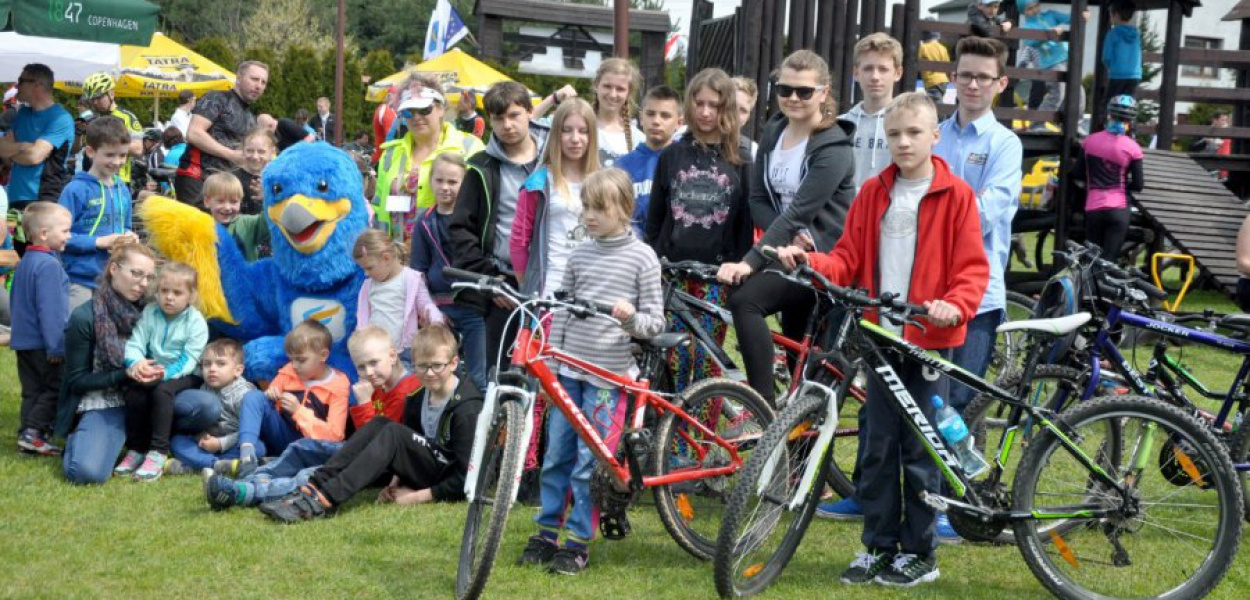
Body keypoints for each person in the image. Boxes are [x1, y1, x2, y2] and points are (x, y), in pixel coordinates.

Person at [774, 92, 989, 587]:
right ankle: (877, 546)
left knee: (921, 451)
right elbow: (847, 258)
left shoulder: (956, 196)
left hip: (929, 341)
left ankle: (920, 552)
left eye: (914, 132)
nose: (903, 142)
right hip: (879, 340)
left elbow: (972, 269)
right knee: (876, 446)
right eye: (894, 134)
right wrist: (811, 261)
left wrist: (953, 304)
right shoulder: (874, 192)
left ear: (936, 136)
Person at [516, 168, 664, 574]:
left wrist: (632, 318)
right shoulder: (579, 253)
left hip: (609, 378)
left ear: (625, 209)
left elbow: (656, 322)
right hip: (569, 374)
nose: (591, 215)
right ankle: (547, 531)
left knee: (588, 464)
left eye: (600, 208)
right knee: (557, 456)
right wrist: (552, 361)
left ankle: (578, 540)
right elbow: (561, 311)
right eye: (587, 207)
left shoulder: (642, 258)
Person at [716, 49, 857, 407]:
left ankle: (760, 407)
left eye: (804, 91)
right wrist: (780, 243)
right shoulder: (774, 131)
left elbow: (799, 211)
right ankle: (793, 449)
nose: (793, 98)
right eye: (784, 89)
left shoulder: (834, 146)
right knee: (800, 364)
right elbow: (758, 199)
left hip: (824, 260)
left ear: (824, 93)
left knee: (745, 300)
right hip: (788, 254)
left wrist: (750, 262)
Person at [247, 323, 482, 521]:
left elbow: (465, 478)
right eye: (422, 366)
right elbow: (411, 447)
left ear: (453, 363)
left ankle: (324, 499)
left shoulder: (467, 408)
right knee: (381, 426)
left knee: (389, 431)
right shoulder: (417, 396)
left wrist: (415, 497)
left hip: (446, 473)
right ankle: (313, 487)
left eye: (437, 366)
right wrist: (395, 483)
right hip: (428, 465)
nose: (429, 373)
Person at [205, 325, 422, 509]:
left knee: (314, 473)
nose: (369, 372)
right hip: (356, 450)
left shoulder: (407, 391)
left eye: (374, 363)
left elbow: (381, 441)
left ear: (393, 356)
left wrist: (364, 404)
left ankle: (246, 492)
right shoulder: (378, 385)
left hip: (376, 463)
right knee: (300, 450)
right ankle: (247, 476)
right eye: (362, 367)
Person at [58, 242, 222, 484]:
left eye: (149, 277)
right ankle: (97, 439)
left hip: (157, 385)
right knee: (86, 473)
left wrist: (159, 372)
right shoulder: (86, 316)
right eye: (136, 274)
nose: (144, 284)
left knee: (207, 406)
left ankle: (155, 446)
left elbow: (191, 348)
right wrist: (129, 371)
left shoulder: (153, 306)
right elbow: (76, 381)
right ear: (114, 269)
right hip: (107, 399)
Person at [645, 69, 753, 390]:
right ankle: (671, 437)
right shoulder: (672, 155)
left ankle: (700, 440)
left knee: (707, 363)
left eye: (715, 105)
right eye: (699, 103)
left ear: (727, 109)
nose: (706, 112)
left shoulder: (741, 160)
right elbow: (655, 219)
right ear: (689, 104)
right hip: (673, 275)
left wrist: (738, 273)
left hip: (715, 279)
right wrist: (655, 264)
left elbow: (744, 226)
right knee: (675, 359)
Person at [935, 36, 1022, 415]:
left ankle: (961, 478)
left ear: (1000, 83)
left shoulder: (1006, 144)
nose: (973, 84)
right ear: (953, 77)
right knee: (921, 403)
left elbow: (987, 213)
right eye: (966, 75)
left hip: (978, 296)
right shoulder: (932, 135)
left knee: (958, 406)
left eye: (984, 77)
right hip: (925, 287)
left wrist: (933, 213)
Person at [450, 80, 545, 372]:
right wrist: (490, 282)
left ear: (530, 112)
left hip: (552, 283)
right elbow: (461, 230)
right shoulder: (481, 166)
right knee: (503, 374)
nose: (507, 125)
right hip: (504, 285)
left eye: (514, 115)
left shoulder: (555, 158)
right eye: (499, 118)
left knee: (550, 375)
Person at [219, 319, 351, 479]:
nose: (294, 365)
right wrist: (270, 395)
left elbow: (335, 436)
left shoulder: (338, 384)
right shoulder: (289, 371)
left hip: (310, 445)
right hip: (281, 436)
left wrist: (298, 411)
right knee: (255, 396)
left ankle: (263, 461)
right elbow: (266, 405)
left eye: (301, 360)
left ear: (323, 355)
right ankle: (247, 455)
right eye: (291, 359)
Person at [118, 261, 209, 480]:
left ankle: (158, 452)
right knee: (135, 392)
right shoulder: (150, 312)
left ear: (191, 295)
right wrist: (136, 363)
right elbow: (136, 342)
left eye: (177, 293)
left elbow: (190, 358)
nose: (169, 297)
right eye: (164, 291)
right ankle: (136, 449)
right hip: (153, 368)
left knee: (162, 392)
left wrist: (164, 374)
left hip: (184, 374)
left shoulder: (196, 322)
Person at [412, 151, 489, 389]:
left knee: (478, 375)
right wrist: (430, 309)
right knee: (440, 372)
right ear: (431, 180)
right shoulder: (423, 221)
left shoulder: (473, 218)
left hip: (473, 307)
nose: (445, 187)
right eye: (439, 180)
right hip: (440, 309)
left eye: (453, 182)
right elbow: (418, 270)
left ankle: (475, 420)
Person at [511, 98, 601, 298]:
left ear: (592, 135)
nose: (575, 138)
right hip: (550, 292)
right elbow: (519, 242)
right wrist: (527, 287)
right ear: (556, 134)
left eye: (583, 131)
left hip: (596, 292)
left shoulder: (604, 182)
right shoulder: (538, 183)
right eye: (567, 130)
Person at [375, 86, 485, 240]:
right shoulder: (391, 153)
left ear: (441, 109)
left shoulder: (470, 147)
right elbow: (378, 205)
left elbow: (484, 209)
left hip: (446, 255)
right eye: (408, 111)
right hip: (392, 255)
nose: (416, 117)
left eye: (424, 109)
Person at [58, 117, 139, 310]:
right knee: (77, 334)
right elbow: (58, 237)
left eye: (122, 155)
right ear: (91, 151)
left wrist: (130, 237)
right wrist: (99, 242)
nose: (117, 162)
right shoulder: (75, 189)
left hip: (114, 282)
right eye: (110, 155)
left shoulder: (123, 189)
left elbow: (125, 227)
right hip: (80, 281)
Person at [11, 201, 71, 456]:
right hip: (44, 342)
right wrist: (56, 346)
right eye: (65, 231)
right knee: (54, 387)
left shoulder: (26, 260)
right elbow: (52, 311)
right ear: (44, 234)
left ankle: (28, 435)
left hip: (24, 341)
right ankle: (34, 432)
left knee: (32, 390)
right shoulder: (48, 265)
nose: (69, 235)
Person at [176, 60, 269, 207]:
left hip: (225, 183)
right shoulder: (217, 98)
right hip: (197, 176)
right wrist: (230, 154)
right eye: (254, 79)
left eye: (263, 82)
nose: (259, 86)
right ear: (238, 78)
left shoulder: (250, 118)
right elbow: (194, 133)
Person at [352, 228, 444, 366]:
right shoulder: (368, 286)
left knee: (405, 386)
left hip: (404, 352)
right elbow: (363, 319)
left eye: (369, 267)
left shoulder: (411, 278)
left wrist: (436, 320)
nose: (366, 273)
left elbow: (425, 305)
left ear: (386, 258)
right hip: (376, 354)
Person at [167, 338, 256, 474]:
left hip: (231, 442)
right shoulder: (204, 388)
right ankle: (216, 465)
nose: (212, 369)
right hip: (207, 442)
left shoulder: (244, 394)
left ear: (238, 370)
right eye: (207, 364)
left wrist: (221, 443)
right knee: (178, 441)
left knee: (259, 447)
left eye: (221, 364)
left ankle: (193, 465)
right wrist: (200, 435)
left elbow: (249, 430)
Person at [537, 59, 644, 167]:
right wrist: (553, 98)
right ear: (597, 85)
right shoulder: (575, 123)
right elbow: (528, 122)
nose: (612, 94)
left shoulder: (638, 139)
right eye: (607, 86)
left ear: (629, 92)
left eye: (620, 89)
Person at [1075, 95, 1143, 263]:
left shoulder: (1089, 141)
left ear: (1109, 115)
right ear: (1131, 121)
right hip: (1118, 208)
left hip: (1093, 207)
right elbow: (1139, 184)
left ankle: (1088, 289)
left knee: (1091, 260)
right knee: (1109, 262)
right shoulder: (1133, 148)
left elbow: (1077, 173)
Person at [0, 63, 75, 209]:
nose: (17, 86)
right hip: (15, 197)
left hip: (43, 199)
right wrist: (24, 146)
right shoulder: (22, 114)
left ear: (38, 85)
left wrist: (13, 151)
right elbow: (3, 153)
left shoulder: (60, 118)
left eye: (21, 81)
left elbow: (33, 157)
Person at [617, 85, 684, 239]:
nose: (656, 121)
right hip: (632, 251)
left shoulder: (686, 165)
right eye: (650, 114)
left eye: (665, 116)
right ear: (641, 117)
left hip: (672, 255)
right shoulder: (622, 166)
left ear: (679, 122)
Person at [843, 33, 905, 192]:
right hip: (846, 214)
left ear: (897, 73)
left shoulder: (908, 127)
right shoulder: (841, 125)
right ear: (856, 73)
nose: (875, 77)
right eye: (868, 68)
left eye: (883, 69)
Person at [80, 73, 145, 188]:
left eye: (99, 97)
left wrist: (107, 143)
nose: (95, 102)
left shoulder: (127, 117)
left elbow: (138, 148)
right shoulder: (93, 119)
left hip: (119, 179)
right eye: (92, 99)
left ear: (111, 94)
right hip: (94, 178)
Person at [1018, 0, 1083, 112]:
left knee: (1079, 93)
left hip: (1067, 59)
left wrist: (1082, 15)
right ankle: (1037, 123)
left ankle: (1077, 123)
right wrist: (1050, 34)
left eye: (1036, 6)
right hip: (1051, 64)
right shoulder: (1028, 26)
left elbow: (1070, 18)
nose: (1034, 10)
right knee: (1057, 95)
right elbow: (1029, 41)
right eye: (1029, 8)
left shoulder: (1050, 15)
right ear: (1023, 12)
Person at [202, 171, 271, 262]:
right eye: (220, 201)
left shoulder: (247, 224)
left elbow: (269, 221)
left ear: (240, 202)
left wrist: (268, 199)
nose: (227, 207)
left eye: (233, 202)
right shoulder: (202, 227)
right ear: (207, 201)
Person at [234, 127, 278, 215]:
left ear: (272, 152)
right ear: (243, 151)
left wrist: (268, 196)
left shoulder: (278, 180)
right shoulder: (233, 179)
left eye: (261, 152)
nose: (255, 156)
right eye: (250, 151)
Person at [1103, 1, 1142, 100]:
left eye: (1110, 15)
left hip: (1117, 74)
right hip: (1134, 76)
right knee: (1127, 104)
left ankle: (1104, 116)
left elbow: (1106, 57)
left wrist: (1111, 67)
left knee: (1109, 103)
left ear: (1115, 15)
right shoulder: (1136, 34)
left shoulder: (1113, 34)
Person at [731, 76, 760, 159]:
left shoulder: (753, 151)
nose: (736, 115)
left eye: (743, 110)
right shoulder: (694, 142)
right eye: (732, 107)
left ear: (748, 117)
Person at [918, 32, 952, 102]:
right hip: (943, 81)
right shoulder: (943, 48)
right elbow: (948, 65)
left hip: (932, 81)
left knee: (935, 105)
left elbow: (917, 63)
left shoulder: (924, 47)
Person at [373, 85, 399, 164]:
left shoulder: (385, 110)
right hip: (387, 159)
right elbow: (393, 136)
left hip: (384, 156)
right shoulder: (387, 110)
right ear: (390, 96)